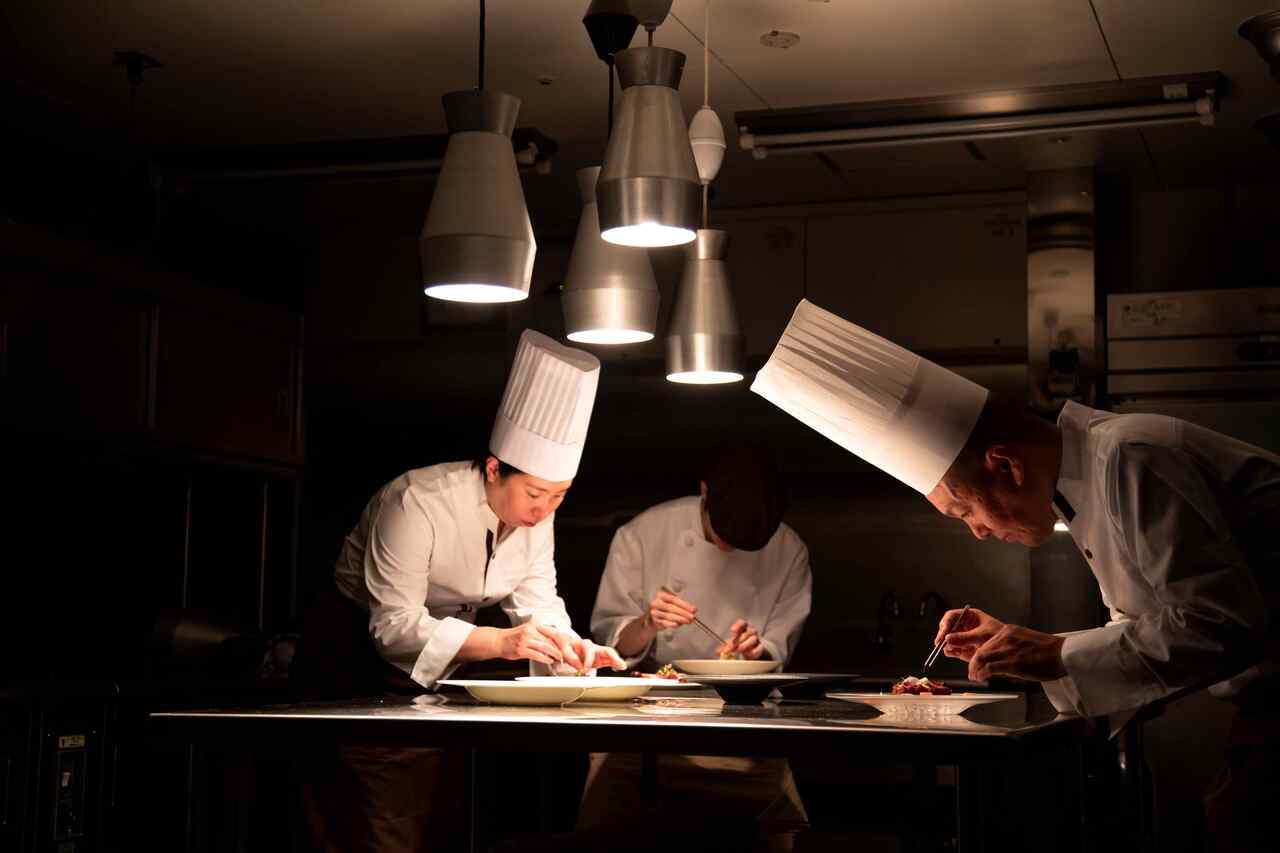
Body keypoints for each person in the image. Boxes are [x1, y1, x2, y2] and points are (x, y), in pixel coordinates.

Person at [751, 298, 1280, 850]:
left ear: (1005, 464)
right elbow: (1157, 628)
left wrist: (1055, 653)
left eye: (966, 510)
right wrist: (1032, 646)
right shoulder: (1091, 481)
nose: (977, 532)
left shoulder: (1132, 456)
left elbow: (1224, 624)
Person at [291, 329, 624, 853]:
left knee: (442, 819)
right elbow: (393, 626)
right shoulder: (416, 501)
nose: (544, 510)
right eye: (535, 493)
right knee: (376, 824)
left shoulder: (537, 518)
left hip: (441, 677)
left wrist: (570, 649)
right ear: (494, 469)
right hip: (353, 663)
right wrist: (502, 642)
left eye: (560, 496)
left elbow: (539, 602)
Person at [579, 444, 812, 850]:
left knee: (773, 834)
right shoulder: (643, 534)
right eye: (721, 537)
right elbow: (611, 646)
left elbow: (778, 649)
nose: (728, 551)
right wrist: (648, 622)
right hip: (646, 721)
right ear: (703, 492)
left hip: (744, 725)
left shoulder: (790, 550)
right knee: (608, 831)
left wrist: (755, 652)